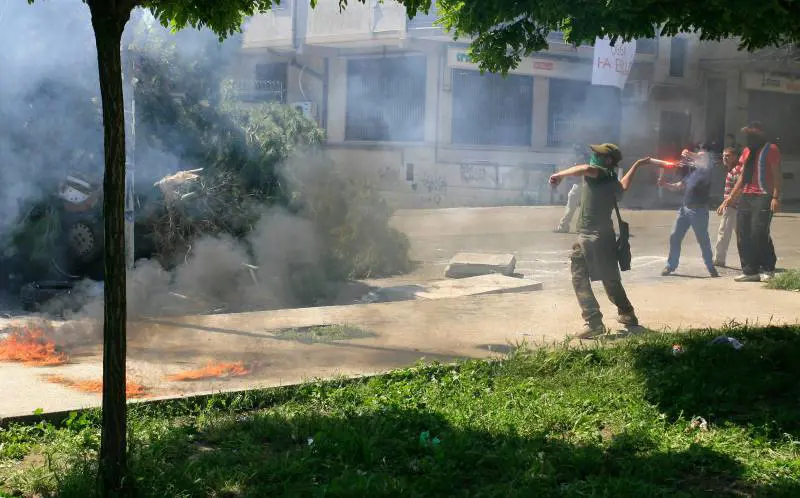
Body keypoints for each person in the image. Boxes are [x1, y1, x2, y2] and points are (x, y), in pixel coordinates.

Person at [549, 144, 652, 338]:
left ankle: (593, 321)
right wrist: (637, 165)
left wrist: (560, 175)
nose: (594, 156)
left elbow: (586, 169)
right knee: (610, 277)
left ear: (607, 160)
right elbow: (624, 186)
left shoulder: (601, 173)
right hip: (604, 234)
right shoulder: (612, 179)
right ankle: (627, 313)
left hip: (590, 235)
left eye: (598, 154)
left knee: (579, 274)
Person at [717, 121, 781, 282]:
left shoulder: (771, 149)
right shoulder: (746, 151)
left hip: (764, 195)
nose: (748, 137)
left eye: (752, 134)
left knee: (759, 232)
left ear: (760, 134)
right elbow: (743, 176)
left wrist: (775, 196)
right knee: (743, 233)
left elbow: (777, 174)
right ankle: (750, 270)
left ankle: (768, 268)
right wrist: (731, 196)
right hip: (745, 196)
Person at [659, 146, 720, 278]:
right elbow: (678, 186)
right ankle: (671, 265)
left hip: (698, 210)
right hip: (684, 209)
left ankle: (710, 267)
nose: (698, 158)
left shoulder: (707, 171)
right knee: (675, 236)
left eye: (701, 157)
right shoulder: (692, 173)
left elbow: (706, 161)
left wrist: (690, 154)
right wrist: (665, 184)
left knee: (703, 239)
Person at [713, 148, 741, 267]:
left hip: (734, 207)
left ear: (735, 156)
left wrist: (725, 203)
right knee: (740, 236)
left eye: (728, 156)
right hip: (733, 206)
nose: (725, 158)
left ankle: (718, 260)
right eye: (724, 155)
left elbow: (738, 189)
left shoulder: (737, 170)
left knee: (724, 233)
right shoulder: (732, 169)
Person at [553, 145, 589, 233]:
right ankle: (583, 227)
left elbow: (577, 172)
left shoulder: (581, 158)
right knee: (585, 206)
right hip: (586, 184)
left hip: (582, 183)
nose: (575, 152)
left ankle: (564, 226)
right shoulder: (586, 157)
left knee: (572, 202)